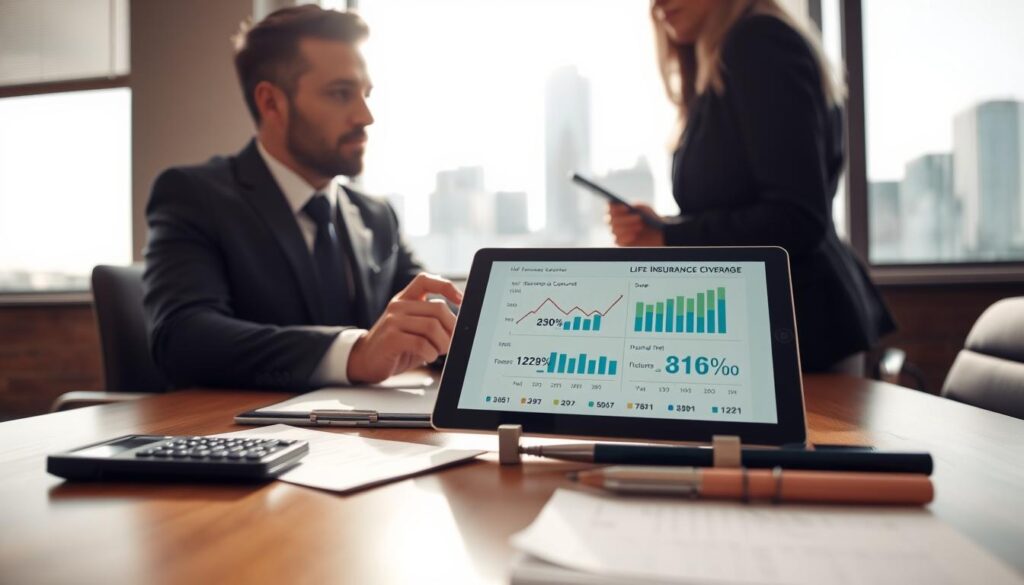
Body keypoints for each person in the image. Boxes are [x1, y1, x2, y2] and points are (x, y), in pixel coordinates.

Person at [143, 6, 461, 390]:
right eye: (341, 94)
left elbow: (434, 313)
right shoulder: (193, 196)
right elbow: (182, 337)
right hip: (243, 434)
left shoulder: (376, 214)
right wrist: (355, 352)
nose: (365, 116)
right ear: (271, 103)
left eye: (366, 93)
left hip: (370, 438)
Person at [607, 0, 895, 373]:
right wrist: (664, 227)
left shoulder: (758, 43)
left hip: (801, 331)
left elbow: (797, 216)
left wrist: (670, 239)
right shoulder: (722, 61)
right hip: (774, 326)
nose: (656, 4)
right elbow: (740, 201)